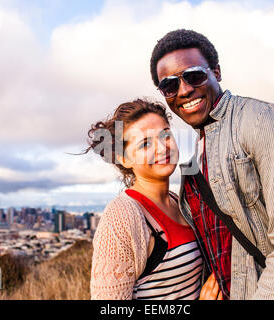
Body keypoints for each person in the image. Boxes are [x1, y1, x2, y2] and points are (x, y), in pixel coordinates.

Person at [149, 29, 274, 300]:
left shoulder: (264, 120)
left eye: (194, 75)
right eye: (170, 85)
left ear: (216, 72)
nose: (184, 90)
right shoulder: (194, 158)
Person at [87, 99, 216, 300]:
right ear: (125, 159)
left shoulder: (182, 201)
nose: (162, 148)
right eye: (145, 143)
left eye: (165, 135)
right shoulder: (122, 218)